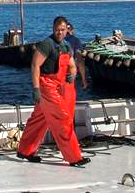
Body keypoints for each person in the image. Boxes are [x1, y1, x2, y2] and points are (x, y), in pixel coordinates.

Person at [16, 16, 88, 167]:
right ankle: (74, 157)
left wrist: (73, 74)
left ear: (67, 29)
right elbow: (35, 66)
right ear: (53, 29)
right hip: (46, 86)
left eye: (62, 30)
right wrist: (36, 89)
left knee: (39, 119)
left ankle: (25, 150)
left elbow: (72, 65)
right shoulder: (46, 44)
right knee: (63, 118)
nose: (59, 33)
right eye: (57, 30)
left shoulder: (67, 46)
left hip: (59, 85)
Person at [64, 22, 88, 92]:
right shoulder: (76, 40)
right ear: (72, 30)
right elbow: (80, 60)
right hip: (69, 71)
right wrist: (84, 80)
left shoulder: (57, 40)